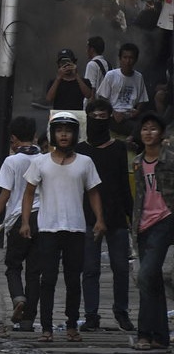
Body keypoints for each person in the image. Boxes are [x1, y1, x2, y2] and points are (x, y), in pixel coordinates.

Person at [19, 112, 105, 342]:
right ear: (53, 134)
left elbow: (94, 192)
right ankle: (46, 327)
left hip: (76, 228)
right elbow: (28, 194)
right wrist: (26, 222)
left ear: (75, 134)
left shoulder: (85, 162)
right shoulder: (40, 162)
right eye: (59, 130)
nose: (64, 134)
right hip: (48, 228)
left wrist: (99, 219)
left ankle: (71, 325)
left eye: (68, 130)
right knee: (47, 280)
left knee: (72, 280)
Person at [75, 99, 134, 332]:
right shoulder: (81, 150)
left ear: (109, 118)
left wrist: (132, 216)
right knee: (90, 269)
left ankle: (122, 313)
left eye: (103, 116)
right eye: (94, 116)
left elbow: (123, 184)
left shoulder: (119, 148)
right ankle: (91, 316)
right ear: (87, 117)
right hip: (88, 218)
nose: (98, 120)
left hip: (117, 216)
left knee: (120, 268)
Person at [0, 116, 42, 328]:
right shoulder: (44, 159)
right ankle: (29, 320)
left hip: (19, 220)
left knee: (13, 266)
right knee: (35, 271)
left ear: (13, 139)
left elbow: (4, 195)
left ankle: (19, 298)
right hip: (42, 220)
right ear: (34, 136)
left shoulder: (12, 161)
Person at [131, 112, 172, 351]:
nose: (148, 133)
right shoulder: (137, 161)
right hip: (143, 223)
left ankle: (144, 334)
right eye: (144, 129)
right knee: (152, 282)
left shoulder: (170, 159)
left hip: (165, 220)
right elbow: (139, 196)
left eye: (153, 129)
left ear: (161, 133)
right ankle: (160, 337)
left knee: (145, 276)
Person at [95, 42, 149, 136]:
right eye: (125, 57)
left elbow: (142, 99)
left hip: (130, 114)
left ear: (135, 60)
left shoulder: (138, 77)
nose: (128, 61)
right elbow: (102, 97)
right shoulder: (111, 75)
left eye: (131, 58)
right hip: (114, 116)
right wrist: (114, 112)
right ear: (120, 59)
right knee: (135, 128)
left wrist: (137, 111)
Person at [84, 36, 110, 102]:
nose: (86, 51)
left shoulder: (92, 65)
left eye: (87, 48)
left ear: (92, 49)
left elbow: (91, 88)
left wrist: (91, 107)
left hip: (94, 106)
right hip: (105, 104)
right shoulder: (108, 64)